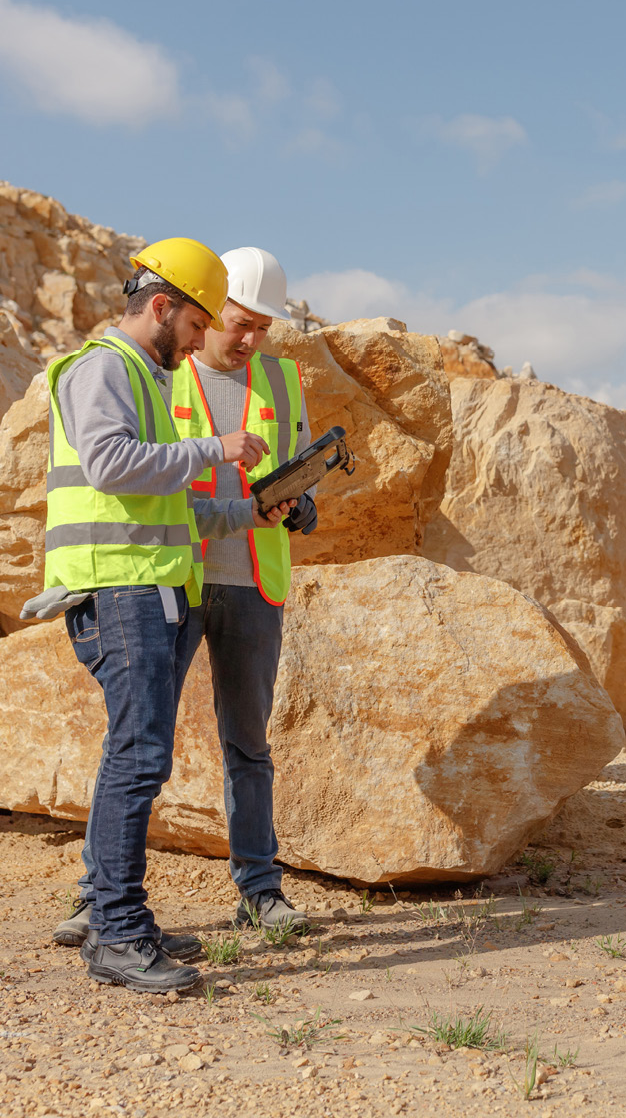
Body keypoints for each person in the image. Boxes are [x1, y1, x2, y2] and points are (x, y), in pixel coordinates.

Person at [35, 238, 293, 994]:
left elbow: (172, 507)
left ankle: (124, 924)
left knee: (138, 754)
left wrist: (249, 508)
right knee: (139, 757)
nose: (200, 338)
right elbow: (112, 464)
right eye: (197, 322)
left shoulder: (145, 378)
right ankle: (114, 930)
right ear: (162, 305)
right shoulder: (106, 368)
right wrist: (212, 446)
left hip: (145, 585)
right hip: (117, 589)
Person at [167, 246, 315, 931]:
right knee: (137, 742)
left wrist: (303, 502)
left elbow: (297, 469)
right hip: (175, 576)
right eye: (241, 323)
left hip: (255, 581)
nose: (251, 339)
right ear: (211, 308)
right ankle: (98, 891)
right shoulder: (162, 375)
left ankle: (260, 889)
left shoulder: (283, 383)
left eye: (264, 328)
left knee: (249, 746)